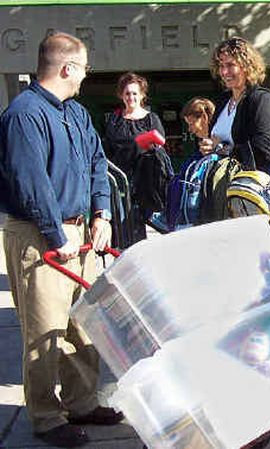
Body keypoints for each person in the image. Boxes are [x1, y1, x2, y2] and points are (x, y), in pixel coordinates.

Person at [0, 32, 123, 448]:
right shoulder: (24, 115)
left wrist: (102, 213)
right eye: (84, 68)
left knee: (83, 325)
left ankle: (82, 401)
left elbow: (96, 162)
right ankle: (46, 417)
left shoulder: (77, 113)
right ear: (67, 68)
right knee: (45, 330)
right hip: (40, 234)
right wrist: (57, 234)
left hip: (79, 232)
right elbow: (30, 182)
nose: (86, 76)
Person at [200, 36, 270, 173]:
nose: (224, 72)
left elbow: (264, 151)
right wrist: (206, 147)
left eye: (230, 65)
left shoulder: (260, 99)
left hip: (246, 187)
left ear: (247, 66)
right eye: (221, 66)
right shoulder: (223, 100)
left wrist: (222, 149)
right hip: (218, 185)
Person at [103, 72, 165, 244]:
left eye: (135, 93)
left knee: (142, 230)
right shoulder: (114, 120)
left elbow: (160, 149)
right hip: (120, 179)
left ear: (142, 95)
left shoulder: (151, 119)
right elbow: (107, 149)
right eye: (127, 93)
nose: (131, 97)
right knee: (120, 227)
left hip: (145, 181)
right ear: (121, 95)